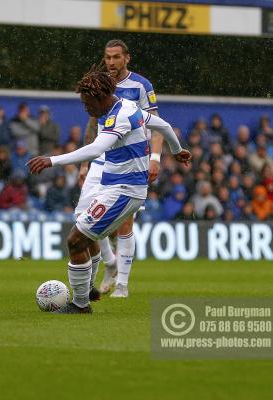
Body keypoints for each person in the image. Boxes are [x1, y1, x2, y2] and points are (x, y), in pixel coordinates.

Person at [27, 67, 190, 313]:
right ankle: (89, 291)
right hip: (113, 186)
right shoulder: (126, 107)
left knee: (76, 240)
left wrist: (52, 160)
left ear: (99, 97)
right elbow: (164, 126)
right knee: (85, 235)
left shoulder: (120, 116)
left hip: (124, 190)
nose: (85, 108)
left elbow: (95, 149)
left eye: (86, 103)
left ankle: (81, 304)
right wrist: (177, 150)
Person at [77, 39, 164, 298]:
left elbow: (157, 124)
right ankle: (110, 263)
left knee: (125, 222)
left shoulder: (141, 85)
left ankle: (123, 286)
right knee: (83, 217)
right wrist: (84, 163)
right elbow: (92, 127)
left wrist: (156, 158)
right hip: (101, 158)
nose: (111, 62)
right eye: (107, 57)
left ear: (127, 58)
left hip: (131, 158)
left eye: (116, 57)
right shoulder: (100, 83)